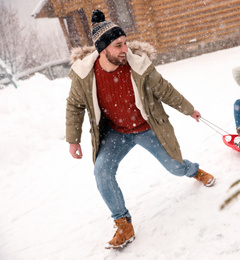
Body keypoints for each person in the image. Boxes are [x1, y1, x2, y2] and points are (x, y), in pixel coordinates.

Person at [66, 9, 215, 249]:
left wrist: (188, 109)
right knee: (102, 173)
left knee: (175, 167)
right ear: (103, 49)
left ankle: (193, 170)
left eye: (125, 43)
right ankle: (123, 224)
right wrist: (73, 140)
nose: (125, 49)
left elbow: (164, 90)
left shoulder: (139, 66)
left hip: (147, 128)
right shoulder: (85, 75)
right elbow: (74, 105)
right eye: (118, 45)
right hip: (116, 132)